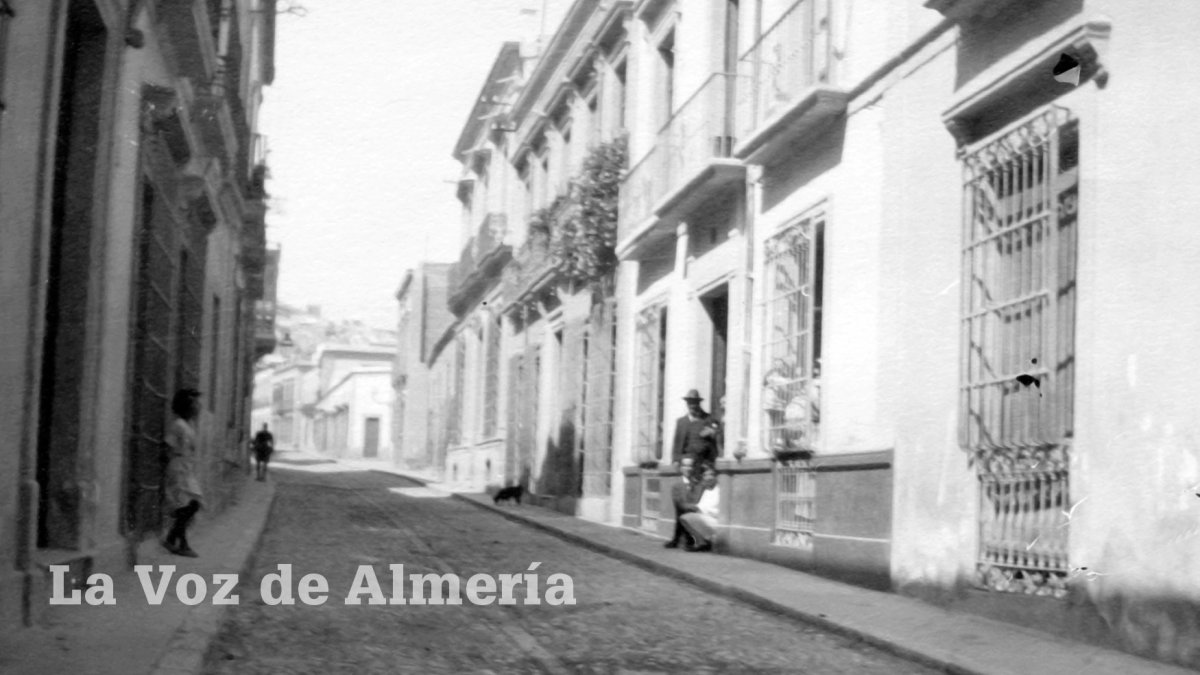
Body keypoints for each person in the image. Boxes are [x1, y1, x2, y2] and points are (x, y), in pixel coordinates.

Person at [163, 388, 204, 558]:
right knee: (186, 504)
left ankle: (172, 539)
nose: (198, 407)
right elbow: (168, 446)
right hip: (179, 466)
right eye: (195, 403)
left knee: (193, 503)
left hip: (186, 467)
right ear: (187, 406)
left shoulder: (188, 425)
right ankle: (182, 543)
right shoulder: (178, 425)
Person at [670, 389, 720, 466]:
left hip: (704, 462)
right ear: (687, 404)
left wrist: (713, 431)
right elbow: (677, 443)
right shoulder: (681, 422)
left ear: (699, 403)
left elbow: (718, 431)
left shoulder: (708, 419)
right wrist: (675, 460)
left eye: (695, 403)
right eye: (690, 403)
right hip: (686, 462)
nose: (692, 405)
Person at [664, 457, 704, 549]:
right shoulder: (676, 484)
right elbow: (679, 502)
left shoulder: (696, 483)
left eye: (690, 466)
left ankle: (680, 539)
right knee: (681, 512)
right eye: (685, 466)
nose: (688, 468)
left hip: (693, 510)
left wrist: (696, 506)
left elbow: (698, 498)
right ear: (681, 468)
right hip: (684, 509)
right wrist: (694, 507)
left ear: (693, 468)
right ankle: (686, 538)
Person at [680, 466, 720, 552]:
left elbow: (717, 510)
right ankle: (701, 542)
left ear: (716, 477)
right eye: (705, 476)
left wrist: (701, 510)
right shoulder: (706, 491)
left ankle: (705, 541)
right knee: (684, 517)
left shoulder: (720, 491)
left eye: (711, 475)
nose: (708, 478)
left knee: (688, 517)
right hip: (704, 517)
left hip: (716, 520)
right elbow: (700, 506)